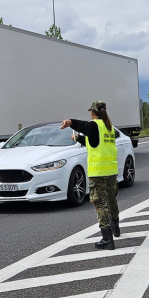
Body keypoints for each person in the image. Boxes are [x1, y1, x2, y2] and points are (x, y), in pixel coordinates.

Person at [60, 101, 120, 250]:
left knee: (101, 204)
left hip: (98, 173)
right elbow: (95, 143)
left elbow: (84, 126)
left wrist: (70, 122)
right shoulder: (109, 127)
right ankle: (116, 229)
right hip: (111, 172)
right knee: (112, 200)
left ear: (93, 113)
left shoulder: (94, 125)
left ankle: (107, 239)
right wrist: (78, 138)